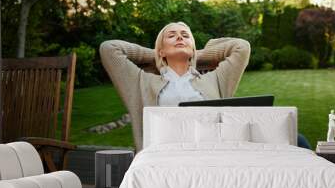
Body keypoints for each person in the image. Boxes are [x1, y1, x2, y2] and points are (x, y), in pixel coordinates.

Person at [100, 21, 311, 151]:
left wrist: (193, 54)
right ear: (160, 49)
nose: (179, 37)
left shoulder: (214, 79)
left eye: (185, 36)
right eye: (171, 36)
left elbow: (241, 47)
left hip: (214, 147)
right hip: (167, 152)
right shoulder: (142, 82)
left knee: (297, 139)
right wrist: (156, 55)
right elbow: (109, 49)